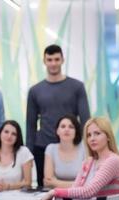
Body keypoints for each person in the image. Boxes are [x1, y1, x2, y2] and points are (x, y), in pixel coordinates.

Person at [26, 44, 90, 187]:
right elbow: (30, 124)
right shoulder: (35, 91)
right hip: (42, 146)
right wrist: (28, 152)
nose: (53, 63)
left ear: (62, 60)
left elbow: (86, 120)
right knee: (45, 188)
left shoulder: (77, 87)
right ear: (44, 61)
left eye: (56, 59)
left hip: (73, 146)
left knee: (80, 186)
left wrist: (88, 147)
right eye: (49, 60)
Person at [42, 117, 119, 200]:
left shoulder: (113, 160)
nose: (92, 139)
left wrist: (55, 192)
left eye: (97, 133)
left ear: (108, 137)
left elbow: (89, 191)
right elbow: (75, 189)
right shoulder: (88, 162)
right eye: (89, 135)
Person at [0, 120, 33, 192]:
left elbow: (28, 183)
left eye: (14, 134)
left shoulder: (24, 152)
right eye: (6, 132)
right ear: (0, 133)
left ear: (17, 138)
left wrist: (9, 186)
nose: (9, 136)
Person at [44, 114, 85, 188]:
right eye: (63, 126)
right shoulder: (51, 149)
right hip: (58, 195)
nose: (67, 129)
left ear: (76, 132)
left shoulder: (84, 148)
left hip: (81, 195)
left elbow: (87, 182)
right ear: (57, 131)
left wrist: (56, 182)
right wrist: (77, 184)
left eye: (71, 127)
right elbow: (48, 182)